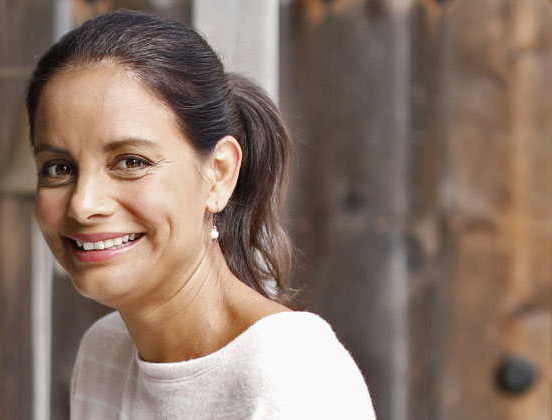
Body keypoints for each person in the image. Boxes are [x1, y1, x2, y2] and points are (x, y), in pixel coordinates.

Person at [27, 10, 375, 419]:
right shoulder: (104, 355)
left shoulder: (292, 376)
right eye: (58, 169)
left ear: (219, 174)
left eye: (131, 161)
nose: (83, 204)